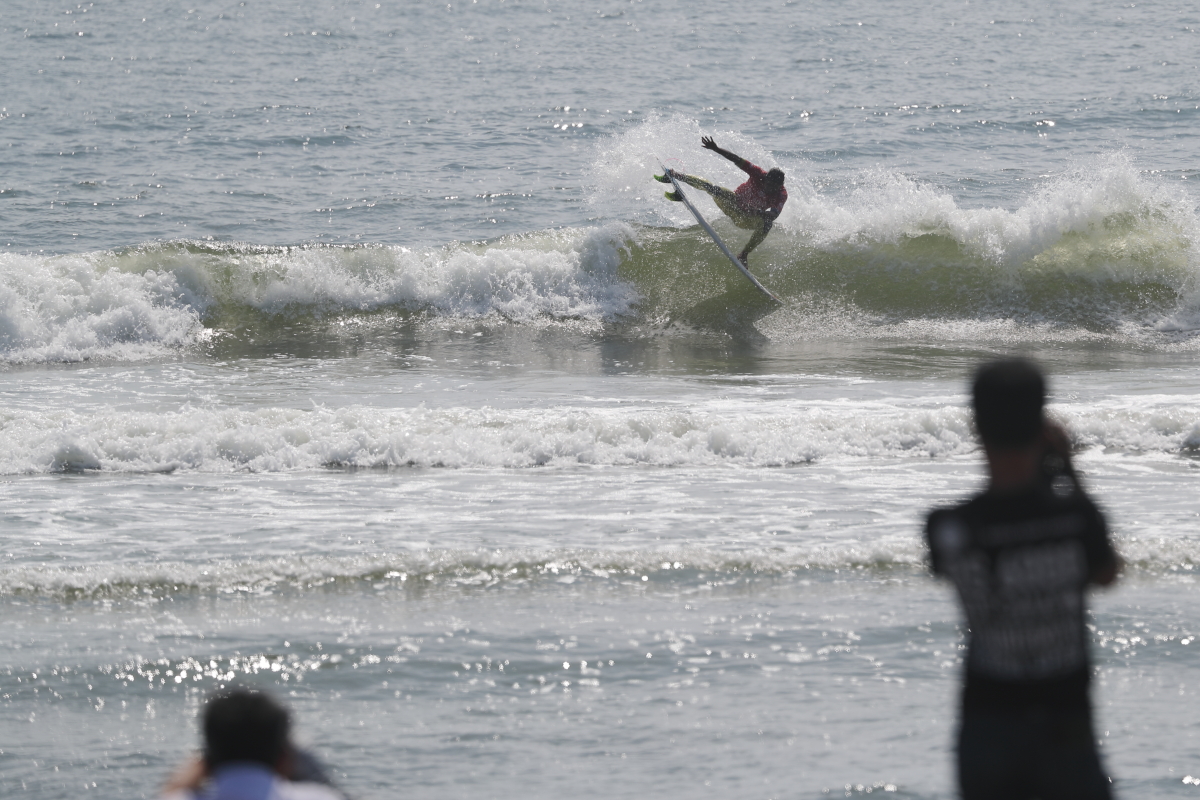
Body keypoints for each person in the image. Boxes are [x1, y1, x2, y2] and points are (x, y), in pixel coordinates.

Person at [925, 358, 1119, 800]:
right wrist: (1066, 470)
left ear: (976, 427)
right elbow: (1107, 575)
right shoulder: (1076, 517)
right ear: (1042, 425)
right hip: (1066, 721)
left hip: (987, 722)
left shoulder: (950, 527)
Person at [159, 688, 347, 800]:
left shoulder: (178, 798)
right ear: (283, 758)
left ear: (206, 762)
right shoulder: (321, 797)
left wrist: (176, 786)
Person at [654, 136, 787, 265]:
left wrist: (757, 212)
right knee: (714, 189)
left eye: (774, 187)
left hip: (746, 219)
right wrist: (716, 149)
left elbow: (773, 215)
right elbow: (736, 159)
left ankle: (744, 254)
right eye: (768, 184)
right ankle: (675, 175)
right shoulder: (758, 173)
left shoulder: (781, 194)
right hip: (732, 203)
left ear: (780, 186)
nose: (769, 188)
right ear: (766, 177)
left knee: (767, 224)